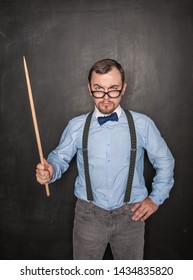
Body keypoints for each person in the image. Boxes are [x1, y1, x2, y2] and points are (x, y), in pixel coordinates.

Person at [36, 58, 175, 260]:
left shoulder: (142, 124)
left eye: (114, 89)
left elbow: (165, 162)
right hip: (88, 216)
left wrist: (155, 199)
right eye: (99, 89)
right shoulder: (76, 126)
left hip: (131, 216)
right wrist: (49, 171)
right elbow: (58, 159)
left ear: (124, 88)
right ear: (90, 89)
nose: (106, 97)